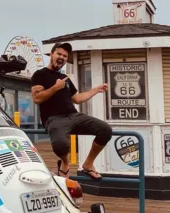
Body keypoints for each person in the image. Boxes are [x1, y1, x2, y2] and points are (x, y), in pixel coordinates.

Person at [31, 42, 113, 180]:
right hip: (54, 118)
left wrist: (96, 90)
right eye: (59, 54)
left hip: (74, 116)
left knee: (105, 130)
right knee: (61, 146)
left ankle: (88, 164)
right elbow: (37, 98)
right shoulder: (40, 74)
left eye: (65, 56)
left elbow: (77, 98)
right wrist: (56, 88)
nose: (62, 57)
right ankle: (65, 163)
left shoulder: (65, 79)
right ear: (51, 55)